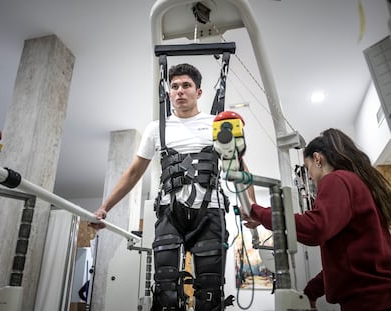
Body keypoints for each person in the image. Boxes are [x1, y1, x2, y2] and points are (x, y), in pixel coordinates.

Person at [91, 63, 231, 311]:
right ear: (168, 93)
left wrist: (251, 211)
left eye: (186, 85)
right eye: (174, 86)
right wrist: (105, 208)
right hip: (170, 213)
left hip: (210, 213)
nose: (179, 91)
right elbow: (134, 172)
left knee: (210, 294)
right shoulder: (156, 128)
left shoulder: (217, 123)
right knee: (165, 292)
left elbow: (239, 165)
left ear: (198, 92)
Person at [243, 128, 391, 311]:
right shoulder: (356, 183)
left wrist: (254, 210)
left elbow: (315, 227)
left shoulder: (336, 179)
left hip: (370, 302)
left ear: (318, 159)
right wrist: (311, 291)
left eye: (307, 169)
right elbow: (348, 261)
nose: (310, 177)